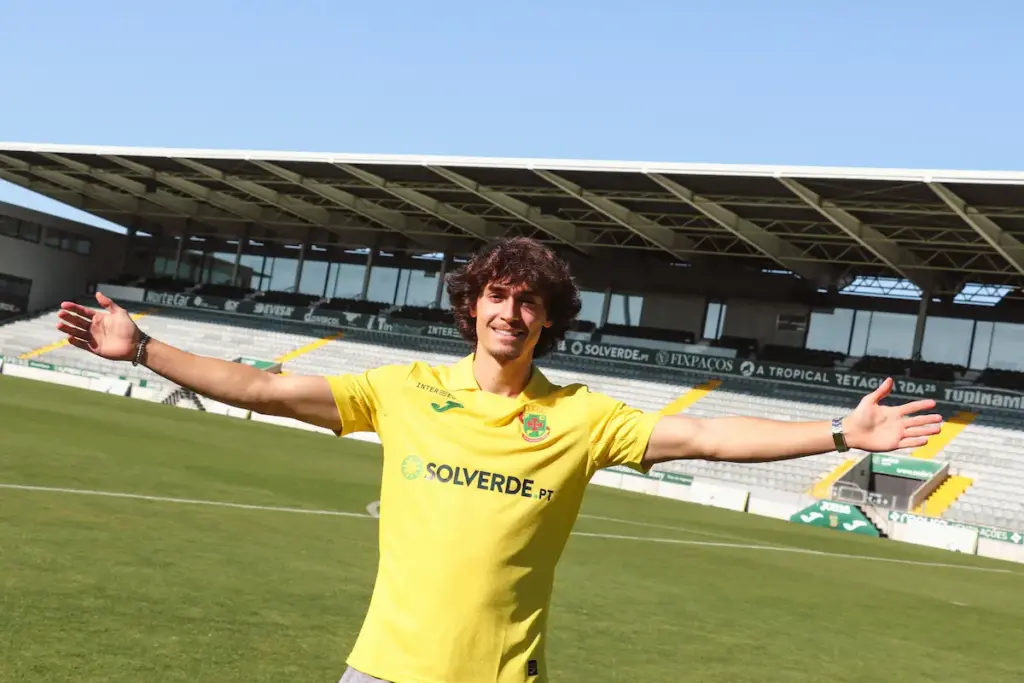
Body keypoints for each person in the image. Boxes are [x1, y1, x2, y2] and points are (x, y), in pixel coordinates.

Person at [57, 237, 942, 683]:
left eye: (528, 303)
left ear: (548, 317)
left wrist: (836, 434)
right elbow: (267, 389)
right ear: (471, 304)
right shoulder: (403, 390)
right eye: (496, 296)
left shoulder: (579, 417)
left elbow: (707, 436)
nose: (509, 314)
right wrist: (145, 351)